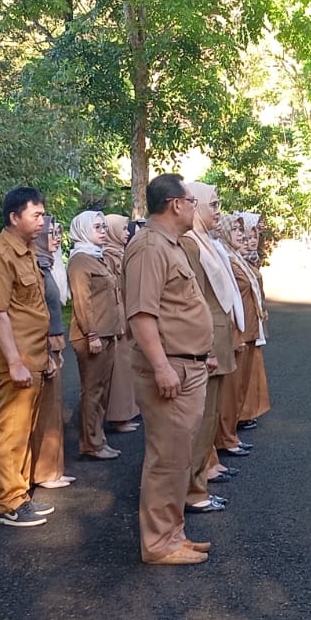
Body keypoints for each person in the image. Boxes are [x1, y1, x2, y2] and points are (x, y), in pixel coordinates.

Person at [124, 174, 215, 564]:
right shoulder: (148, 247)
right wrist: (161, 366)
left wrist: (201, 352)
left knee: (179, 458)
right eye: (192, 201)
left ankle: (173, 534)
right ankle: (159, 544)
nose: (195, 208)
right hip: (171, 371)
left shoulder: (170, 245)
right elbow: (141, 314)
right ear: (176, 204)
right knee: (167, 460)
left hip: (187, 366)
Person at [0, 186, 53, 527]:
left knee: (25, 429)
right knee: (13, 430)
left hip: (34, 355)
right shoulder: (0, 256)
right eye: (35, 215)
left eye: (43, 215)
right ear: (14, 217)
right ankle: (8, 502)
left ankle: (20, 494)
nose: (42, 221)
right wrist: (14, 362)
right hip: (19, 359)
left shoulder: (25, 251)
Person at [183, 181, 246, 515]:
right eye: (215, 204)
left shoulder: (204, 241)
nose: (219, 211)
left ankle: (202, 478)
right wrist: (205, 348)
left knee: (210, 417)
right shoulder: (190, 244)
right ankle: (193, 490)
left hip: (216, 340)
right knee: (201, 418)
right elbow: (196, 302)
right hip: (205, 343)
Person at [67, 209, 122, 459]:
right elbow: (82, 301)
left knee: (103, 389)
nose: (103, 232)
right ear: (83, 230)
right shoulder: (80, 260)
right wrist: (91, 334)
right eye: (97, 227)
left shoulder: (96, 257)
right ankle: (91, 443)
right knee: (92, 390)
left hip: (106, 333)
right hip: (92, 336)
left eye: (103, 227)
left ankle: (99, 439)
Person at [28, 218, 74, 491]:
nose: (56, 238)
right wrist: (46, 350)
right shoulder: (35, 264)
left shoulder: (47, 263)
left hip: (52, 344)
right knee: (44, 411)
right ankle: (43, 472)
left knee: (53, 410)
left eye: (59, 232)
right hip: (41, 346)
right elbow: (36, 313)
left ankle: (52, 469)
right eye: (51, 233)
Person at [216, 216, 265, 455]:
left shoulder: (237, 258)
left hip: (249, 329)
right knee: (230, 389)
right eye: (235, 229)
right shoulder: (225, 258)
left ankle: (231, 435)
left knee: (240, 388)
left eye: (240, 229)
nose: (241, 234)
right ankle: (225, 438)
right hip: (238, 331)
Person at [100, 213, 141, 434]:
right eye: (123, 229)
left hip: (125, 314)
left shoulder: (119, 252)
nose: (127, 233)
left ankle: (126, 413)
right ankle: (118, 417)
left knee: (126, 368)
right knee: (119, 371)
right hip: (117, 318)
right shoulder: (108, 255)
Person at [236, 214, 270, 428]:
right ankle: (242, 413)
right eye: (248, 236)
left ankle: (249, 411)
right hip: (244, 323)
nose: (251, 241)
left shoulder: (251, 259)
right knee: (244, 370)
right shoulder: (237, 260)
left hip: (253, 320)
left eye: (255, 236)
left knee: (253, 368)